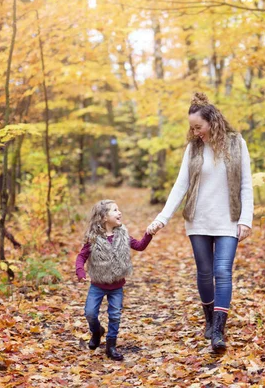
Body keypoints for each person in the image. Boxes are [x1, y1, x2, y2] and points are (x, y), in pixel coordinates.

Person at [147, 92, 253, 353]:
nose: (195, 132)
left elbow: (246, 184)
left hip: (228, 218)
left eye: (198, 127)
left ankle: (218, 330)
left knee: (223, 272)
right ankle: (208, 318)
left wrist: (246, 219)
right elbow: (180, 185)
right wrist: (162, 218)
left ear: (212, 122)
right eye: (191, 128)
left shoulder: (237, 143)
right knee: (205, 273)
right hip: (198, 219)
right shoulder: (193, 148)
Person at [76, 199, 153, 361]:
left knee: (115, 315)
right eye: (115, 210)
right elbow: (82, 256)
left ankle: (111, 346)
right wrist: (80, 271)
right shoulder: (93, 238)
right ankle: (97, 332)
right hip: (97, 284)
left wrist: (149, 234)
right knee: (90, 313)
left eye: (119, 210)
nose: (120, 213)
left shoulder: (123, 235)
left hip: (117, 285)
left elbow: (139, 246)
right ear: (104, 217)